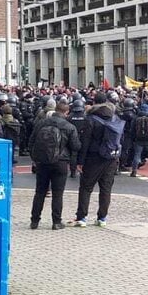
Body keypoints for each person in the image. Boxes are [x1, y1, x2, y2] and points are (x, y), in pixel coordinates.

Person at [72, 92, 123, 227]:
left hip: (93, 157)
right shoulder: (114, 117)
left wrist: (80, 161)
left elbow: (85, 141)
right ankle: (102, 218)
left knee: (86, 187)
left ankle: (82, 217)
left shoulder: (91, 118)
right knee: (106, 189)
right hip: (111, 157)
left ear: (94, 102)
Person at [29, 100, 81, 230]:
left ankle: (34, 221)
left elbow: (31, 142)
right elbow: (75, 146)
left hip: (42, 161)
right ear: (66, 112)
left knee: (40, 192)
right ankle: (56, 222)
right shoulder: (69, 126)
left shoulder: (41, 123)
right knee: (58, 193)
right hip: (60, 162)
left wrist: (35, 158)